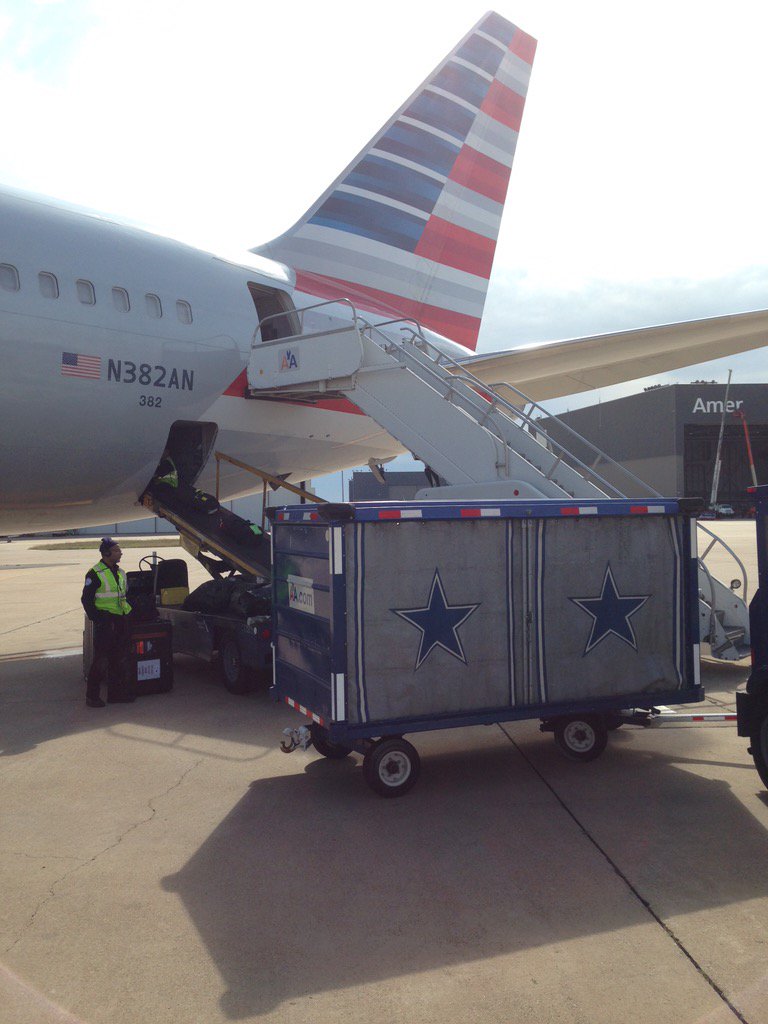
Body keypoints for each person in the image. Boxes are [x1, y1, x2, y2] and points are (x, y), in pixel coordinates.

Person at [81, 537, 133, 707]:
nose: (121, 553)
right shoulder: (94, 574)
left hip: (120, 620)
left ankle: (117, 695)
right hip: (106, 621)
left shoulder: (120, 572)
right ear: (106, 553)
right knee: (101, 660)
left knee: (119, 659)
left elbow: (123, 596)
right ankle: (92, 697)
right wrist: (99, 619)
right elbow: (86, 600)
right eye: (117, 550)